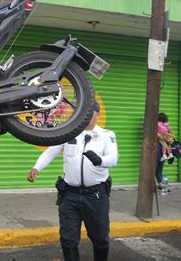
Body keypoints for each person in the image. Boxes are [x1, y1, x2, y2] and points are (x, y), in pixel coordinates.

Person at [27, 102, 118, 261]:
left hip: (95, 196)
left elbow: (113, 158)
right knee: (68, 239)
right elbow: (51, 151)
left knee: (100, 237)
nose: (87, 116)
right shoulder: (69, 133)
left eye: (91, 113)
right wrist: (37, 167)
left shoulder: (106, 135)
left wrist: (100, 160)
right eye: (84, 112)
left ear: (98, 114)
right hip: (69, 195)